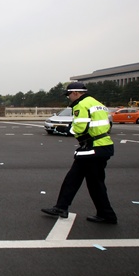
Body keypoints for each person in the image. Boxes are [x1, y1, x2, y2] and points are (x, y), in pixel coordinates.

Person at [42, 82, 117, 224]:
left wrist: (64, 131)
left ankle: (106, 214)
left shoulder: (81, 105)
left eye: (69, 94)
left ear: (75, 93)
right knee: (82, 180)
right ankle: (63, 207)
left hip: (93, 148)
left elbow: (80, 127)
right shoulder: (96, 103)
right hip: (101, 146)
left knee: (84, 182)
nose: (68, 97)